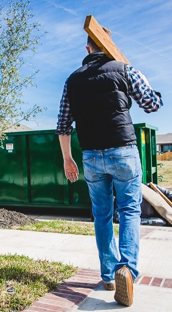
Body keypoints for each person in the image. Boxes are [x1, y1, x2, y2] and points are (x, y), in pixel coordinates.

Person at [56, 28, 163, 307]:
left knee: (101, 215)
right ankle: (126, 268)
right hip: (123, 151)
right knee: (129, 210)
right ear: (108, 45)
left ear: (88, 48)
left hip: (91, 155)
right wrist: (149, 86)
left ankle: (108, 275)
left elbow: (63, 125)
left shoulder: (72, 80)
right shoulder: (126, 69)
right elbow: (151, 105)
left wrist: (68, 158)